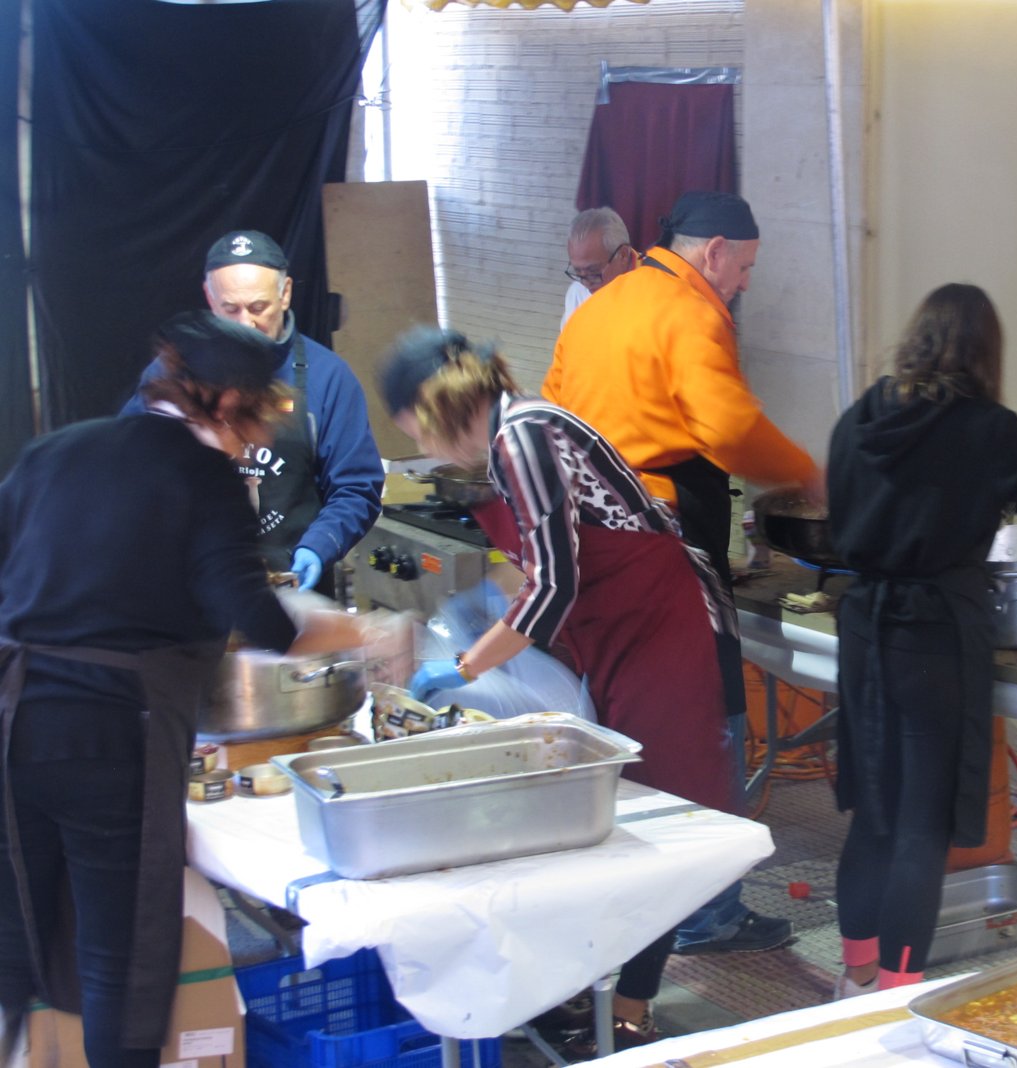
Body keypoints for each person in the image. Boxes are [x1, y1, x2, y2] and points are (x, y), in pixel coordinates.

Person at [0, 313, 370, 1067]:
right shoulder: (202, 477)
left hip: (13, 719)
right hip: (113, 735)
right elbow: (259, 619)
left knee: (11, 926)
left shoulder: (57, 449)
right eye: (258, 420)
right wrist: (359, 631)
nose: (257, 441)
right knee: (120, 954)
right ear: (227, 403)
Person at [379, 325, 739, 1053]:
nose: (417, 441)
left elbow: (553, 585)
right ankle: (583, 990)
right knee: (605, 817)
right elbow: (544, 569)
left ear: (432, 405)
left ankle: (628, 1011)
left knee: (658, 827)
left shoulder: (523, 436)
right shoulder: (513, 437)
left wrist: (465, 668)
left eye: (409, 423)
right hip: (616, 635)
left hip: (660, 634)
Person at [545, 189, 819, 955]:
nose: (745, 284)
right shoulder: (691, 310)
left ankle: (635, 889)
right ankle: (705, 910)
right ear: (716, 251)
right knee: (706, 714)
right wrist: (807, 474)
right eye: (747, 268)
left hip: (592, 542)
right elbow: (728, 427)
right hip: (665, 543)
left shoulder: (597, 309)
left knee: (625, 715)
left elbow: (554, 416)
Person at [825, 283, 1017, 997]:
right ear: (985, 353)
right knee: (922, 823)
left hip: (865, 625)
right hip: (936, 635)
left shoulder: (861, 416)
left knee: (874, 812)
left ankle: (854, 979)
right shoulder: (987, 429)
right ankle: (896, 996)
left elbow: (838, 518)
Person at [121, 230, 384, 595]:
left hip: (292, 584)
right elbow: (130, 472)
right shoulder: (170, 376)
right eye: (230, 309)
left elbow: (356, 487)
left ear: (285, 293)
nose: (245, 323)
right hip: (192, 586)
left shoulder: (328, 378)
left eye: (258, 307)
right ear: (209, 297)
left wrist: (320, 545)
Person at [561, 206, 637, 329]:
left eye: (593, 271)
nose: (586, 283)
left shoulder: (656, 288)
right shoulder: (576, 292)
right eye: (578, 272)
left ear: (623, 255)